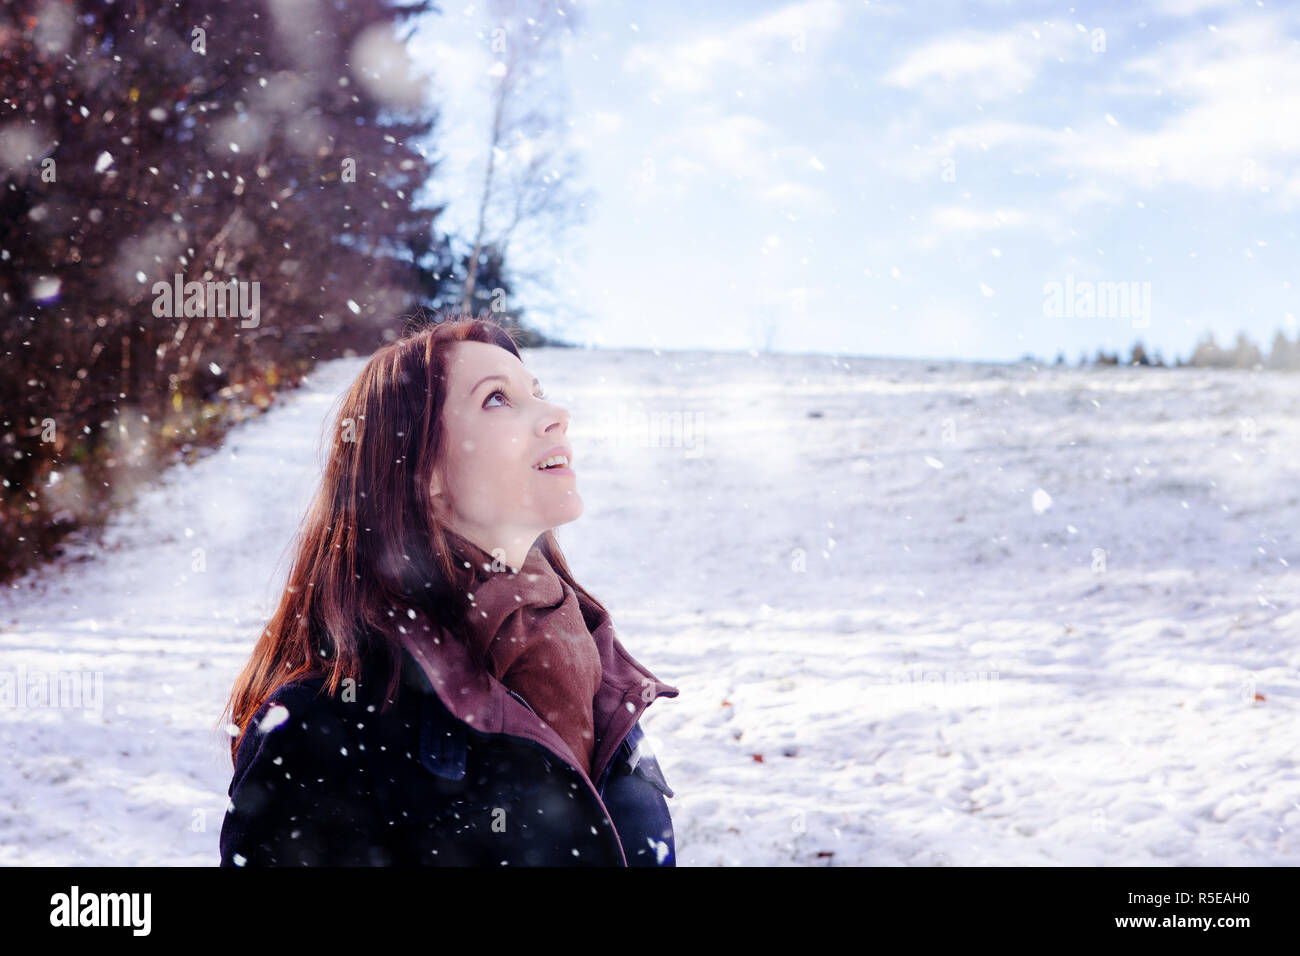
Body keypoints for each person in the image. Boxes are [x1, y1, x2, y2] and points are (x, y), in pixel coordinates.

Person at [215, 314, 680, 866]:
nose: (557, 415)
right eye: (497, 400)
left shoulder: (606, 690)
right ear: (425, 473)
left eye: (538, 393)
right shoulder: (328, 723)